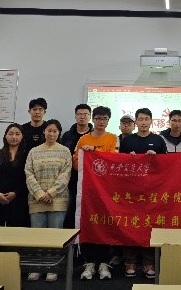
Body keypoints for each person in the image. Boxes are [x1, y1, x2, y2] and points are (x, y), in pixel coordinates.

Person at [119, 108, 166, 279]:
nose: (144, 122)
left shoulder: (158, 140)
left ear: (151, 121)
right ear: (136, 122)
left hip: (152, 192)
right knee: (129, 226)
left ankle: (149, 263)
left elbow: (166, 166)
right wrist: (128, 158)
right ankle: (130, 262)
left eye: (147, 119)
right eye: (140, 119)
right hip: (130, 192)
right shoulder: (127, 141)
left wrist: (156, 158)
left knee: (149, 226)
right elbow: (118, 166)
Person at [72, 106, 118, 281]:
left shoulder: (113, 138)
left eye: (104, 118)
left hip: (106, 191)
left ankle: (104, 263)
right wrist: (85, 154)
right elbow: (75, 164)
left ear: (108, 120)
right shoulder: (83, 139)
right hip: (87, 192)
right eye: (98, 118)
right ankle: (89, 262)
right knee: (88, 224)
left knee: (105, 225)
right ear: (93, 119)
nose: (101, 121)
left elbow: (113, 161)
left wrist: (96, 153)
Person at [25, 119, 72, 283]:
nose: (51, 133)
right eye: (49, 130)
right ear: (44, 132)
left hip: (57, 200)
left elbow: (65, 175)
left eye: (55, 131)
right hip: (36, 200)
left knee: (55, 236)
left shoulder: (65, 151)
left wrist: (51, 193)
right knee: (37, 237)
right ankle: (36, 268)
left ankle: (52, 268)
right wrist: (39, 193)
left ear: (59, 133)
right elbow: (29, 174)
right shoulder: (34, 151)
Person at [0, 123, 30, 227]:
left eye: (17, 134)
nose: (14, 137)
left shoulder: (27, 156)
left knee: (16, 232)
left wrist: (15, 193)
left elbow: (28, 178)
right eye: (10, 134)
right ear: (5, 136)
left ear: (22, 136)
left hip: (18, 200)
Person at [61, 103, 92, 229]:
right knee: (71, 209)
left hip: (89, 180)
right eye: (79, 114)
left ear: (90, 117)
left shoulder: (94, 135)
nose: (82, 117)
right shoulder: (67, 135)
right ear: (75, 116)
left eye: (85, 114)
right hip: (70, 178)